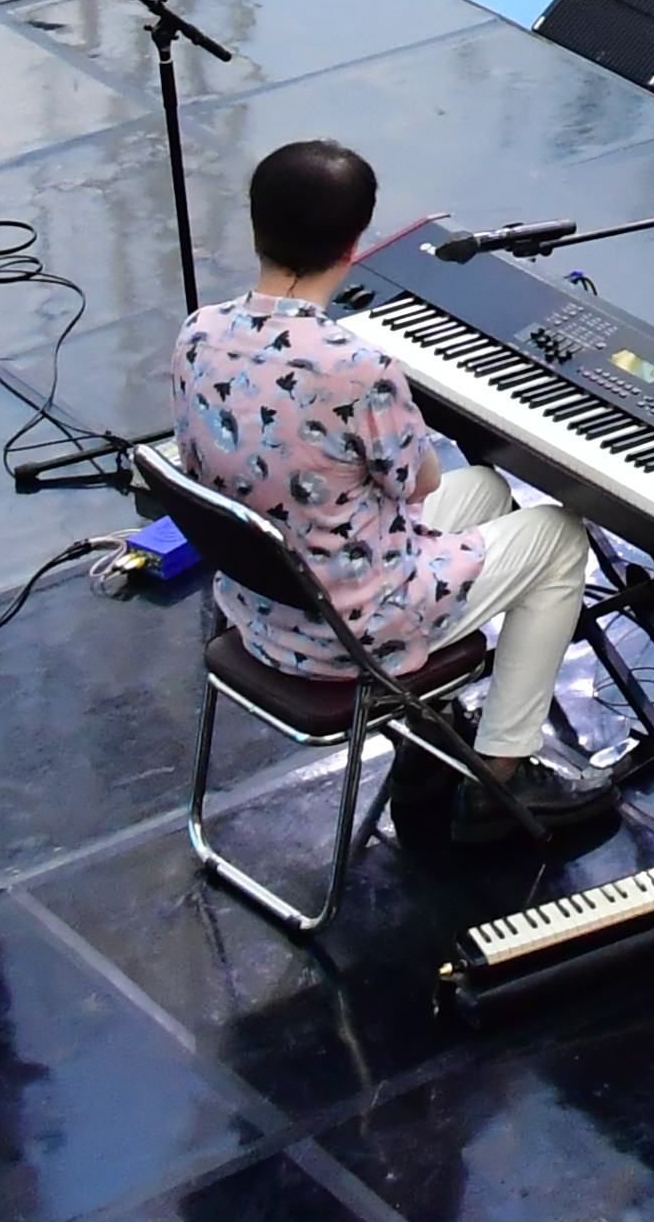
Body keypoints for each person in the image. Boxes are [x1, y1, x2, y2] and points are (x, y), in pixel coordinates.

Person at [173, 138, 624, 843]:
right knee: (557, 534)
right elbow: (420, 480)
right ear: (355, 244)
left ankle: (433, 729)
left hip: (260, 605)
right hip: (348, 633)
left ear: (255, 224)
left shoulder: (198, 333)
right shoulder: (354, 366)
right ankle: (503, 773)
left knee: (483, 489)